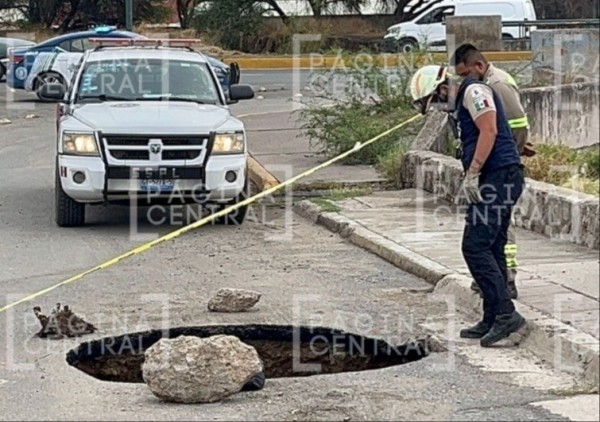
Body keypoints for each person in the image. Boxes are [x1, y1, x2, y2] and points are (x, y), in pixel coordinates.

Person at [409, 65, 527, 346]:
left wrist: (473, 172)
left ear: (442, 88)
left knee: (474, 246)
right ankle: (492, 316)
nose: (436, 108)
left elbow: (489, 129)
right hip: (495, 177)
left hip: (498, 177)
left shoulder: (473, 92)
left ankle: (506, 314)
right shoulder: (461, 104)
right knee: (493, 247)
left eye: (434, 102)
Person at [449, 43, 537, 300]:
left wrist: (511, 150)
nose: (463, 81)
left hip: (500, 166)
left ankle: (505, 280)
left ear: (478, 65)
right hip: (499, 160)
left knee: (497, 231)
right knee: (495, 230)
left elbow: (512, 123)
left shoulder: (494, 84)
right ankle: (496, 284)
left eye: (465, 74)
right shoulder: (480, 86)